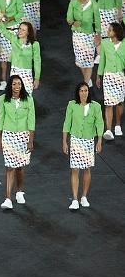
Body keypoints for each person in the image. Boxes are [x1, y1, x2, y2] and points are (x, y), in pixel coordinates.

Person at [62, 82, 104, 210]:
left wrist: (99, 141)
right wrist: (64, 141)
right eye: (81, 91)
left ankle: (84, 196)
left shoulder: (95, 106)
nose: (84, 93)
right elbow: (66, 123)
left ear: (88, 92)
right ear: (78, 92)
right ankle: (75, 199)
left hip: (88, 141)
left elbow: (100, 124)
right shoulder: (72, 105)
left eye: (86, 90)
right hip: (75, 140)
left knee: (87, 169)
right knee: (75, 169)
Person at [0, 75, 35, 209]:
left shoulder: (28, 99)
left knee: (20, 167)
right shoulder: (3, 99)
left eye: (19, 84)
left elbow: (31, 121)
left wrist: (31, 140)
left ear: (22, 85)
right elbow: (0, 119)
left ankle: (19, 191)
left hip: (23, 136)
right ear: (10, 86)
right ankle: (7, 198)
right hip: (8, 136)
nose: (17, 86)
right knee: (9, 166)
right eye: (14, 84)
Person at [66, 0, 101, 85]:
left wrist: (98, 35)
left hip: (89, 35)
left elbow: (97, 21)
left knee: (89, 60)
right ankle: (87, 78)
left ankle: (85, 83)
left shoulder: (93, 4)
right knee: (81, 61)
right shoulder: (72, 3)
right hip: (77, 36)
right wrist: (73, 22)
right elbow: (68, 19)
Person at [0, 0, 24, 91]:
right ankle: (3, 81)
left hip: (15, 29)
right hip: (2, 30)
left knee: (16, 56)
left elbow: (20, 12)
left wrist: (10, 18)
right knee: (3, 57)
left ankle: (15, 80)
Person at [0, 18, 41, 95]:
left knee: (27, 96)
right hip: (15, 71)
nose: (20, 31)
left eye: (23, 30)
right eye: (19, 28)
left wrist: (37, 78)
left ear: (28, 32)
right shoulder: (14, 39)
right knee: (15, 95)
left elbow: (37, 61)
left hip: (26, 73)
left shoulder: (35, 44)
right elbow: (4, 31)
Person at [96, 22, 125, 140]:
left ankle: (117, 124)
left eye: (110, 30)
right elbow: (102, 60)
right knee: (108, 104)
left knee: (119, 103)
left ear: (116, 33)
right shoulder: (105, 43)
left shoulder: (124, 44)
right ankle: (108, 130)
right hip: (108, 76)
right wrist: (99, 75)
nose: (107, 32)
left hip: (120, 76)